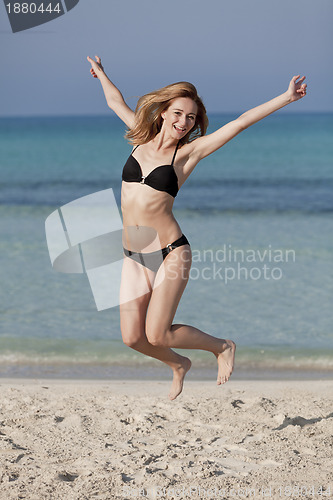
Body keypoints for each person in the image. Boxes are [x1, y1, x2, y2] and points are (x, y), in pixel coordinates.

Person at [87, 55, 307, 400]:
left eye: (190, 118)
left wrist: (285, 97)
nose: (184, 122)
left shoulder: (187, 155)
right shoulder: (138, 139)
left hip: (171, 251)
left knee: (157, 334)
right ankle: (179, 365)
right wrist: (101, 74)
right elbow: (116, 100)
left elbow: (240, 123)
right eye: (178, 113)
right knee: (132, 338)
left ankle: (222, 346)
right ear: (163, 112)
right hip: (133, 254)